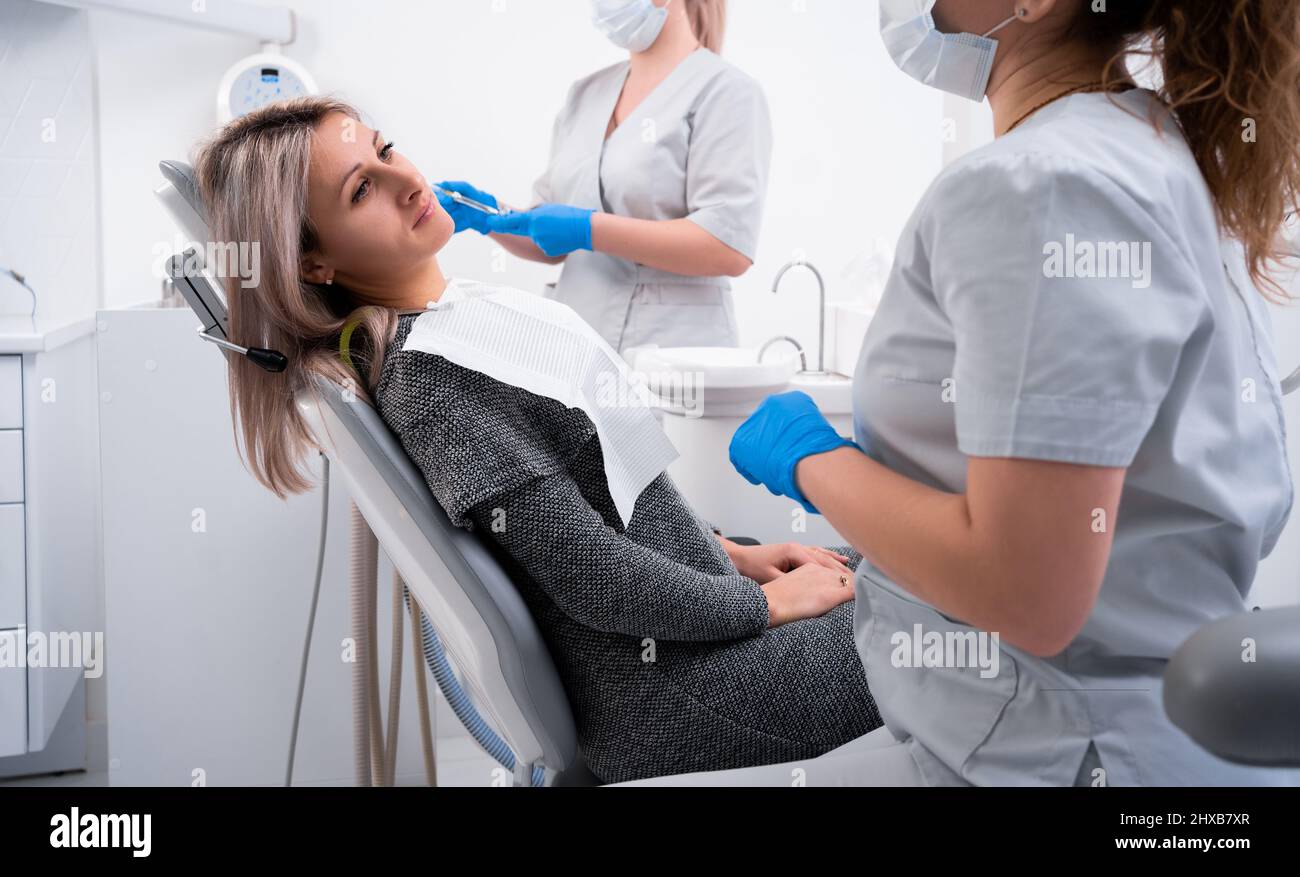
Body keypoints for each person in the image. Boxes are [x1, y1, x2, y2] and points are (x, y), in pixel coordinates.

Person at [191, 96, 879, 784]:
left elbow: (615, 499)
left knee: (898, 567)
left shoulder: (457, 323)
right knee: (952, 617)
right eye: (362, 189)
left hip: (696, 641)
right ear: (312, 264)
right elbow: (596, 576)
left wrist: (738, 556)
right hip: (684, 694)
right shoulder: (433, 382)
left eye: (386, 149)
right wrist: (764, 604)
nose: (406, 182)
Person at [726, 0, 1300, 786]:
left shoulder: (1045, 184)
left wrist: (812, 461)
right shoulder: (1141, 149)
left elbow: (1028, 587)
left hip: (1062, 753)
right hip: (1046, 729)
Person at [438, 0, 772, 354]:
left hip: (675, 353)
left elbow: (727, 247)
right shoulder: (585, 94)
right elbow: (549, 235)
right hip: (575, 346)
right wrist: (489, 216)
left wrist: (589, 229)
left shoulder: (726, 91)